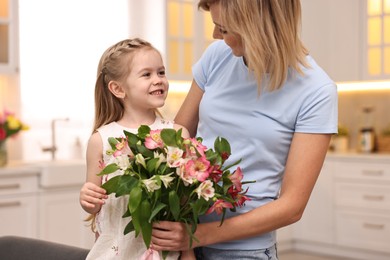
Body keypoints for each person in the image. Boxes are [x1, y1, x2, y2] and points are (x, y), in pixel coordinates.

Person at [150, 0, 338, 259]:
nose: (216, 35)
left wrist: (198, 234)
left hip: (243, 251)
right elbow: (180, 132)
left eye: (223, 29)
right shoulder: (217, 57)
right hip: (185, 242)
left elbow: (292, 206)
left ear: (257, 27)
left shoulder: (316, 91)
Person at [79, 38, 195, 260]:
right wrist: (86, 198)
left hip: (162, 252)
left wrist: (189, 254)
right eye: (147, 74)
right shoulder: (101, 140)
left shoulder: (178, 135)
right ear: (118, 89)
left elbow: (185, 206)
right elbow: (94, 204)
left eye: (161, 72)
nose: (158, 80)